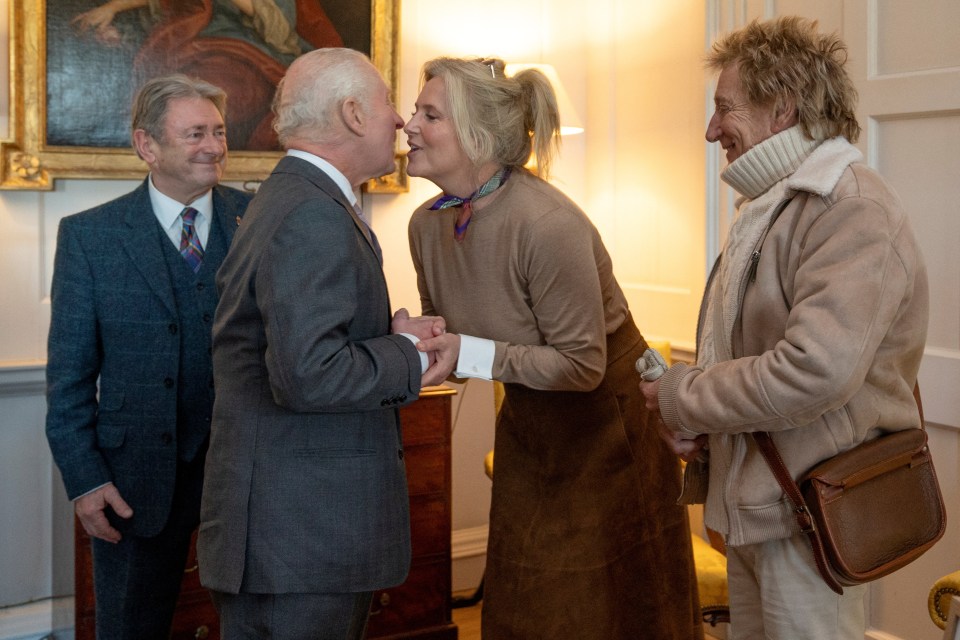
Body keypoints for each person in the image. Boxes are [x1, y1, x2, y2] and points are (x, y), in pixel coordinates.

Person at [639, 16, 929, 640]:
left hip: (809, 510)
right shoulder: (773, 208)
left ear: (782, 109)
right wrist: (705, 430)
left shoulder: (849, 207)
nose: (711, 129)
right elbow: (751, 352)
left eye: (724, 108)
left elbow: (811, 371)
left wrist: (682, 396)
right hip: (766, 507)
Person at [406, 57, 703, 639]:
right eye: (416, 111)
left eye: (429, 114)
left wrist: (466, 351)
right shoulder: (425, 225)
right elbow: (458, 343)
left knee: (615, 603)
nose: (408, 124)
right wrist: (416, 348)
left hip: (611, 422)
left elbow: (581, 364)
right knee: (525, 592)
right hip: (529, 419)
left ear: (478, 136)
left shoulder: (546, 223)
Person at [197, 47, 457, 639]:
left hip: (287, 537)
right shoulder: (312, 213)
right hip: (300, 541)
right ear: (353, 114)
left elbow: (291, 343)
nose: (399, 120)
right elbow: (309, 375)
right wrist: (409, 356)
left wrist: (383, 338)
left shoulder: (292, 197)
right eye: (389, 102)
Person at [45, 74, 252, 639]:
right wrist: (85, 481)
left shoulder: (258, 219)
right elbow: (68, 378)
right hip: (132, 482)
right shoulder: (91, 237)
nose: (213, 146)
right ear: (147, 145)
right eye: (194, 134)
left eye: (218, 131)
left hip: (246, 476)